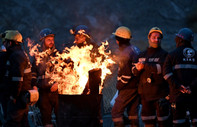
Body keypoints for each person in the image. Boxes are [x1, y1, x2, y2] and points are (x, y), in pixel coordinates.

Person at [133, 27, 171, 127]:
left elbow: (161, 70)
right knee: (148, 123)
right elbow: (134, 73)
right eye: (154, 37)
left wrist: (144, 66)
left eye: (159, 38)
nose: (156, 40)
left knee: (163, 123)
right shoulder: (141, 54)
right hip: (145, 97)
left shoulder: (165, 55)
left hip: (160, 95)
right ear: (149, 38)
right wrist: (137, 69)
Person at [163, 28, 197, 127]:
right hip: (194, 95)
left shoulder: (172, 55)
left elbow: (166, 74)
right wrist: (191, 87)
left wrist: (179, 86)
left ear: (180, 39)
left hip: (178, 96)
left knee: (178, 122)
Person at [1, 30, 33, 127]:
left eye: (5, 42)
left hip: (18, 97)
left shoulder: (16, 56)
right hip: (23, 96)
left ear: (10, 43)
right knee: (23, 123)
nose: (4, 45)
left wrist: (14, 96)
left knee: (12, 123)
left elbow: (17, 78)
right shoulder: (19, 53)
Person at [111, 26, 140, 127]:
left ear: (119, 40)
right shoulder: (135, 48)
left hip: (128, 87)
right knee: (133, 112)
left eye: (116, 39)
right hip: (136, 86)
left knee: (116, 112)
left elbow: (126, 76)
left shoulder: (125, 53)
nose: (116, 41)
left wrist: (119, 85)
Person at [31, 28, 58, 127]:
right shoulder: (37, 55)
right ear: (43, 41)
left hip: (56, 91)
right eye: (48, 40)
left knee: (61, 117)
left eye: (52, 39)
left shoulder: (58, 53)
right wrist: (33, 86)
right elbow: (33, 72)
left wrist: (58, 83)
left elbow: (65, 71)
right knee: (46, 119)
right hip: (43, 92)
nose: (51, 42)